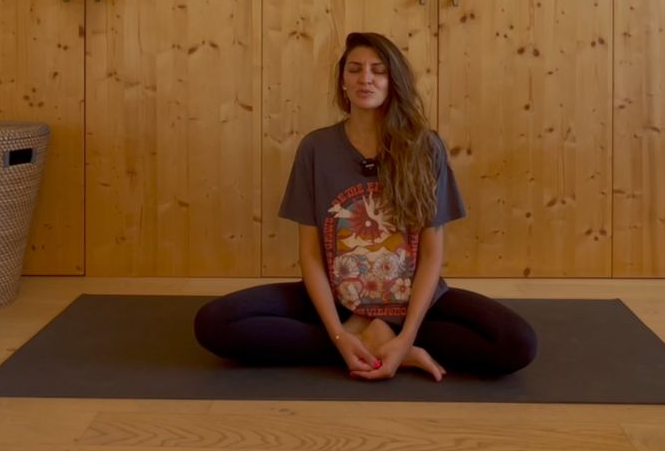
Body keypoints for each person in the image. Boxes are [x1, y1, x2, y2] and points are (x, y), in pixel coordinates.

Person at [194, 32, 537, 380]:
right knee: (215, 322)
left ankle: (387, 341)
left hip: (412, 300)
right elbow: (310, 255)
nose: (366, 78)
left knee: (517, 343)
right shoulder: (316, 148)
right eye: (355, 70)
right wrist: (339, 334)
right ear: (343, 82)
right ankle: (367, 343)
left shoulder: (425, 147)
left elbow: (432, 255)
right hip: (338, 298)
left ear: (393, 81)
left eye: (378, 70)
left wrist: (404, 334)